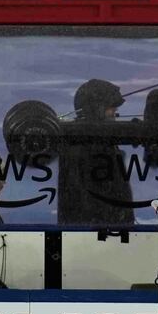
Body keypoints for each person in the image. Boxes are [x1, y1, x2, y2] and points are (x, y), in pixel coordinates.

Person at [57, 78, 137, 227]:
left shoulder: (92, 141)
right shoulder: (84, 144)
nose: (114, 113)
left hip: (101, 232)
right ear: (96, 109)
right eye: (111, 108)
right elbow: (94, 196)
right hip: (94, 234)